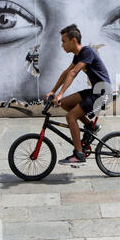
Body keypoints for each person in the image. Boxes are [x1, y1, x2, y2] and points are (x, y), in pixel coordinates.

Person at [47, 24, 111, 164]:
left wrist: (61, 93)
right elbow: (66, 72)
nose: (62, 45)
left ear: (74, 41)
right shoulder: (78, 55)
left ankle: (79, 155)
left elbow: (74, 72)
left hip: (102, 93)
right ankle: (90, 126)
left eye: (64, 41)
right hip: (96, 90)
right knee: (65, 104)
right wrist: (53, 91)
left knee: (71, 116)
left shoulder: (87, 51)